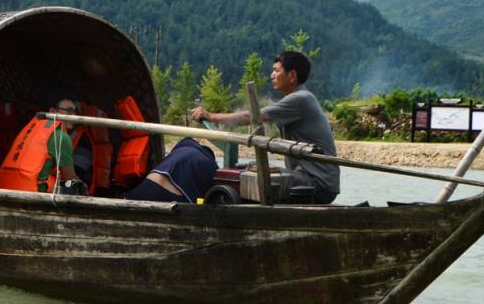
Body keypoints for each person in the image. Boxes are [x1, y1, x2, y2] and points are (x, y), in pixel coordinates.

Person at [192, 50, 339, 204]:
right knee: (247, 168)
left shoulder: (300, 99)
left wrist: (211, 116)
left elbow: (251, 117)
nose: (271, 75)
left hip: (318, 184)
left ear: (292, 75)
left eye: (276, 70)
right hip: (310, 179)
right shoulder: (301, 98)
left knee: (248, 180)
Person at [0, 92, 80, 193]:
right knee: (77, 187)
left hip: (4, 188)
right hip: (33, 193)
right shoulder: (62, 137)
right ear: (52, 111)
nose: (73, 115)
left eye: (74, 112)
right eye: (68, 111)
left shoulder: (30, 129)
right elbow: (69, 179)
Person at [123, 138, 218, 203]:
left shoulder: (178, 152)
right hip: (170, 197)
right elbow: (209, 197)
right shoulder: (210, 164)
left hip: (147, 186)